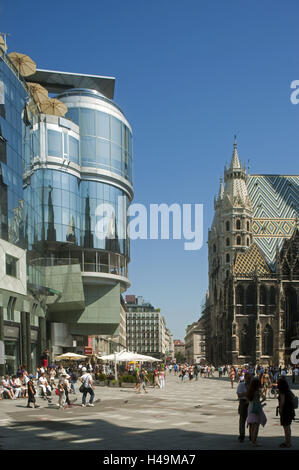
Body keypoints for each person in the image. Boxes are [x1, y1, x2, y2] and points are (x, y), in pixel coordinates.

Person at [246, 377, 267, 446]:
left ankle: (252, 440)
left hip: (250, 408)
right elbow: (264, 398)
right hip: (256, 408)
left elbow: (248, 400)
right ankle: (254, 442)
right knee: (256, 426)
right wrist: (259, 402)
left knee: (251, 426)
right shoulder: (258, 391)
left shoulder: (249, 391)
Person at [277, 377, 296, 448]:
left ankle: (288, 443)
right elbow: (294, 397)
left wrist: (280, 410)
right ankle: (288, 441)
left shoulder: (282, 392)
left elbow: (282, 402)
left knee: (286, 427)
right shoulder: (288, 390)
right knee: (288, 426)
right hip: (290, 410)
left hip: (285, 411)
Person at [236, 373, 252, 442]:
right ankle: (242, 435)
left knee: (252, 420)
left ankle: (251, 435)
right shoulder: (241, 385)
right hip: (243, 402)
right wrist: (246, 393)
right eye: (248, 378)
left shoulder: (252, 385)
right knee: (242, 419)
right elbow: (239, 395)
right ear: (245, 378)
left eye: (250, 378)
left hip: (251, 403)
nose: (249, 380)